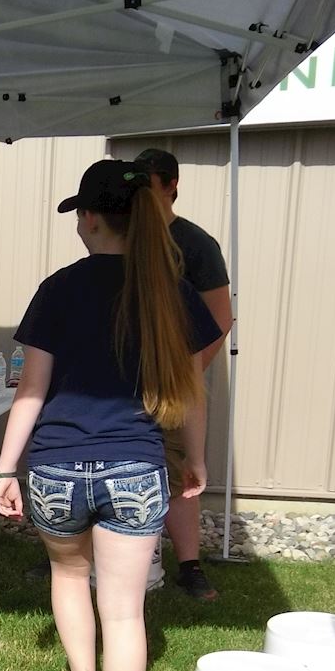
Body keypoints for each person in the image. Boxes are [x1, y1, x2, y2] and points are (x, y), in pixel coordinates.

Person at [0, 159, 222, 671]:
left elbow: (31, 391)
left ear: (90, 217)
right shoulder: (171, 290)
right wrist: (196, 459)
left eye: (79, 214)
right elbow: (193, 389)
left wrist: (5, 470)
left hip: (56, 467)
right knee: (124, 610)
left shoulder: (59, 288)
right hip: (136, 467)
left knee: (70, 576)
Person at [133, 148, 234, 601]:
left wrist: (187, 375)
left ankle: (189, 566)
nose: (142, 194)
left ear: (171, 185)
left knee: (178, 471)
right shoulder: (124, 238)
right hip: (117, 379)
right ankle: (74, 553)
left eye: (149, 184)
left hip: (171, 381)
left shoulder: (195, 244)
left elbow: (220, 317)